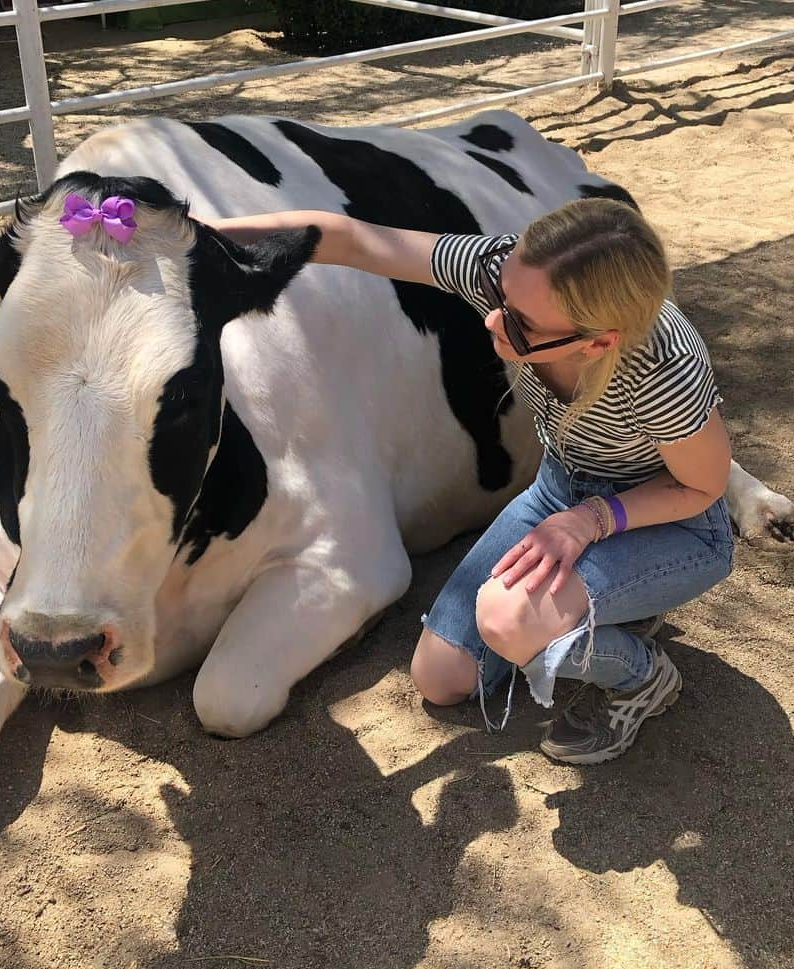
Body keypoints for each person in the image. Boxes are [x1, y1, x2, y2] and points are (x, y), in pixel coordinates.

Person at [214, 198, 735, 765]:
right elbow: (351, 239)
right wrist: (198, 231)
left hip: (669, 522)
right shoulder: (506, 275)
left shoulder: (664, 370)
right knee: (440, 678)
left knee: (508, 622)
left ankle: (640, 677)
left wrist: (589, 521)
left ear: (599, 342)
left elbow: (701, 488)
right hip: (561, 489)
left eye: (520, 323)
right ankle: (606, 608)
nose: (493, 320)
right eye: (502, 298)